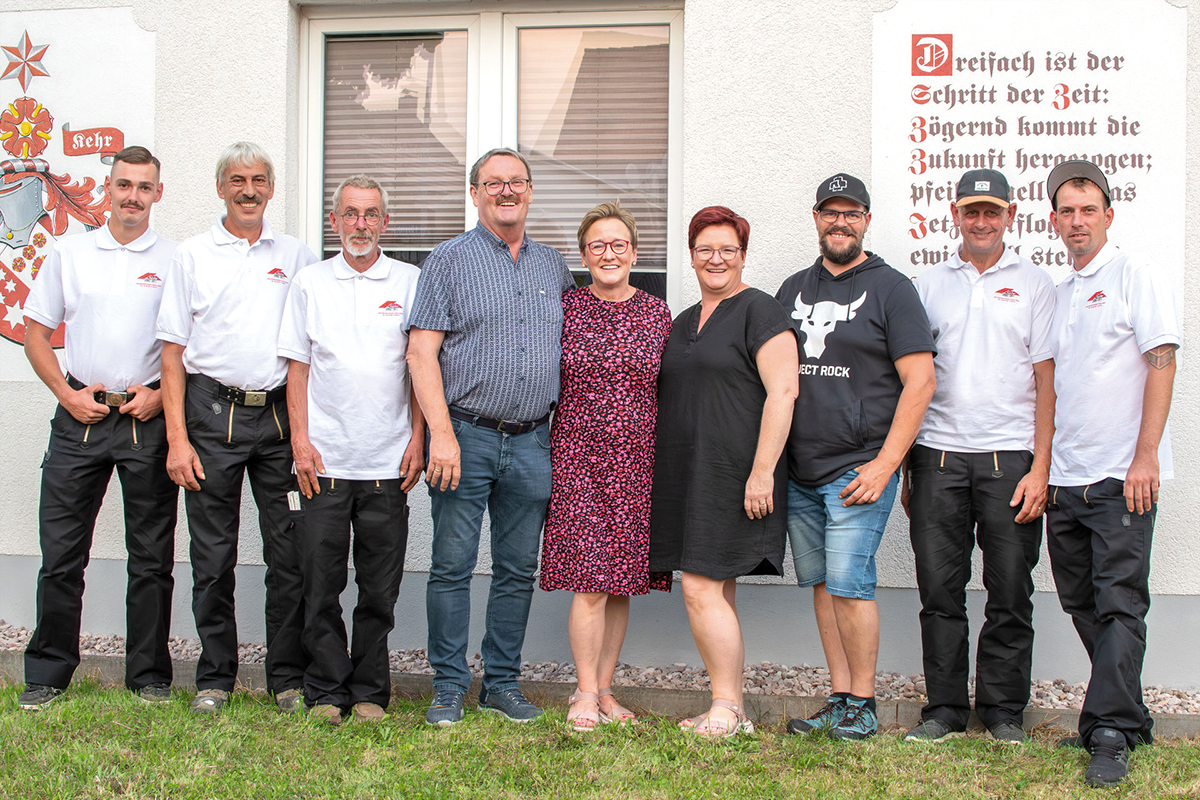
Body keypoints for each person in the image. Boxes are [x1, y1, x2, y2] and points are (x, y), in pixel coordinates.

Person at [407, 147, 576, 726]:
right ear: (474, 192)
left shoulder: (553, 265)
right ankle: (450, 684)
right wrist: (442, 437)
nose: (507, 192)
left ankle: (501, 682)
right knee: (452, 566)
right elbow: (421, 353)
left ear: (530, 191)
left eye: (517, 182)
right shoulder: (447, 261)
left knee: (516, 568)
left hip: (532, 442)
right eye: (493, 183)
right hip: (467, 436)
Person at [156, 141, 318, 715]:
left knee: (289, 554)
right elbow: (171, 355)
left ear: (272, 189)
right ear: (220, 188)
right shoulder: (192, 255)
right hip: (209, 418)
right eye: (236, 180)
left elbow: (305, 351)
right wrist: (176, 439)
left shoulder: (297, 255)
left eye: (258, 180)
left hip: (276, 419)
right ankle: (215, 679)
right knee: (212, 556)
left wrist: (305, 432)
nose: (248, 190)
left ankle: (288, 679)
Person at [18, 146, 179, 710]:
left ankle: (150, 677)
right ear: (107, 189)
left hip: (143, 420)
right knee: (61, 555)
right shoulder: (71, 253)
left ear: (159, 193)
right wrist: (66, 394)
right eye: (124, 185)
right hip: (79, 416)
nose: (133, 196)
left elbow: (189, 347)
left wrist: (160, 397)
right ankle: (47, 672)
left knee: (151, 558)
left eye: (144, 186)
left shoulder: (175, 259)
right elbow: (36, 334)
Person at [777, 174, 936, 741]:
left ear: (867, 219)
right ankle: (840, 696)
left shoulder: (893, 288)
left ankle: (864, 703)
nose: (839, 222)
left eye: (851, 213)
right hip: (799, 471)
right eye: (830, 212)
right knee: (822, 583)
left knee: (850, 581)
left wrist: (885, 465)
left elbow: (920, 382)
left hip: (858, 468)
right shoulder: (793, 289)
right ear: (815, 217)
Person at [902, 169, 1055, 744]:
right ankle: (943, 709)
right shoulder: (928, 284)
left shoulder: (1036, 284)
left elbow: (1047, 381)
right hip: (937, 457)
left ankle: (1003, 711)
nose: (982, 222)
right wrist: (905, 466)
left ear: (1010, 216)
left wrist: (1041, 466)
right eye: (972, 212)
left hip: (1010, 460)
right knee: (939, 592)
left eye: (992, 212)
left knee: (1010, 589)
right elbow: (912, 378)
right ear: (955, 215)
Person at [1042, 160, 1178, 788]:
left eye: (1087, 209)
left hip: (1123, 477)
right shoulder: (1061, 290)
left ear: (1108, 216)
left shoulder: (1132, 273)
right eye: (1066, 211)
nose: (1076, 221)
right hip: (1068, 478)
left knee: (1120, 603)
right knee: (1080, 598)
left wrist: (1145, 456)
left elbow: (1161, 361)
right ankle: (1128, 712)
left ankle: (1109, 731)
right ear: (1053, 220)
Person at [278, 174, 425, 725]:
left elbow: (419, 367)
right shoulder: (311, 283)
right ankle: (326, 690)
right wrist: (300, 442)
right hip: (326, 461)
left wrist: (418, 438)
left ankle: (369, 693)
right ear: (334, 220)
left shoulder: (409, 281)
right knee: (320, 584)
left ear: (384, 223)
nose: (360, 224)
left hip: (388, 461)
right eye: (350, 214)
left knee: (378, 590)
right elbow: (297, 367)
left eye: (370, 214)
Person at [649, 206, 798, 737]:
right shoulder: (685, 319)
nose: (716, 259)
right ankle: (728, 705)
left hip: (735, 472)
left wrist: (762, 472)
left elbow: (784, 393)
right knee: (715, 588)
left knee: (700, 587)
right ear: (690, 256)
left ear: (742, 256)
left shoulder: (761, 311)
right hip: (688, 473)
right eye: (705, 249)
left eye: (727, 250)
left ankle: (726, 708)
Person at [539, 200, 672, 731]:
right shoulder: (567, 308)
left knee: (621, 582)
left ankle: (606, 689)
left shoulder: (657, 313)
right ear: (583, 254)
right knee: (590, 581)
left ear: (635, 252)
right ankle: (584, 693)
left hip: (639, 461)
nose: (609, 253)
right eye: (598, 245)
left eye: (619, 244)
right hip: (579, 459)